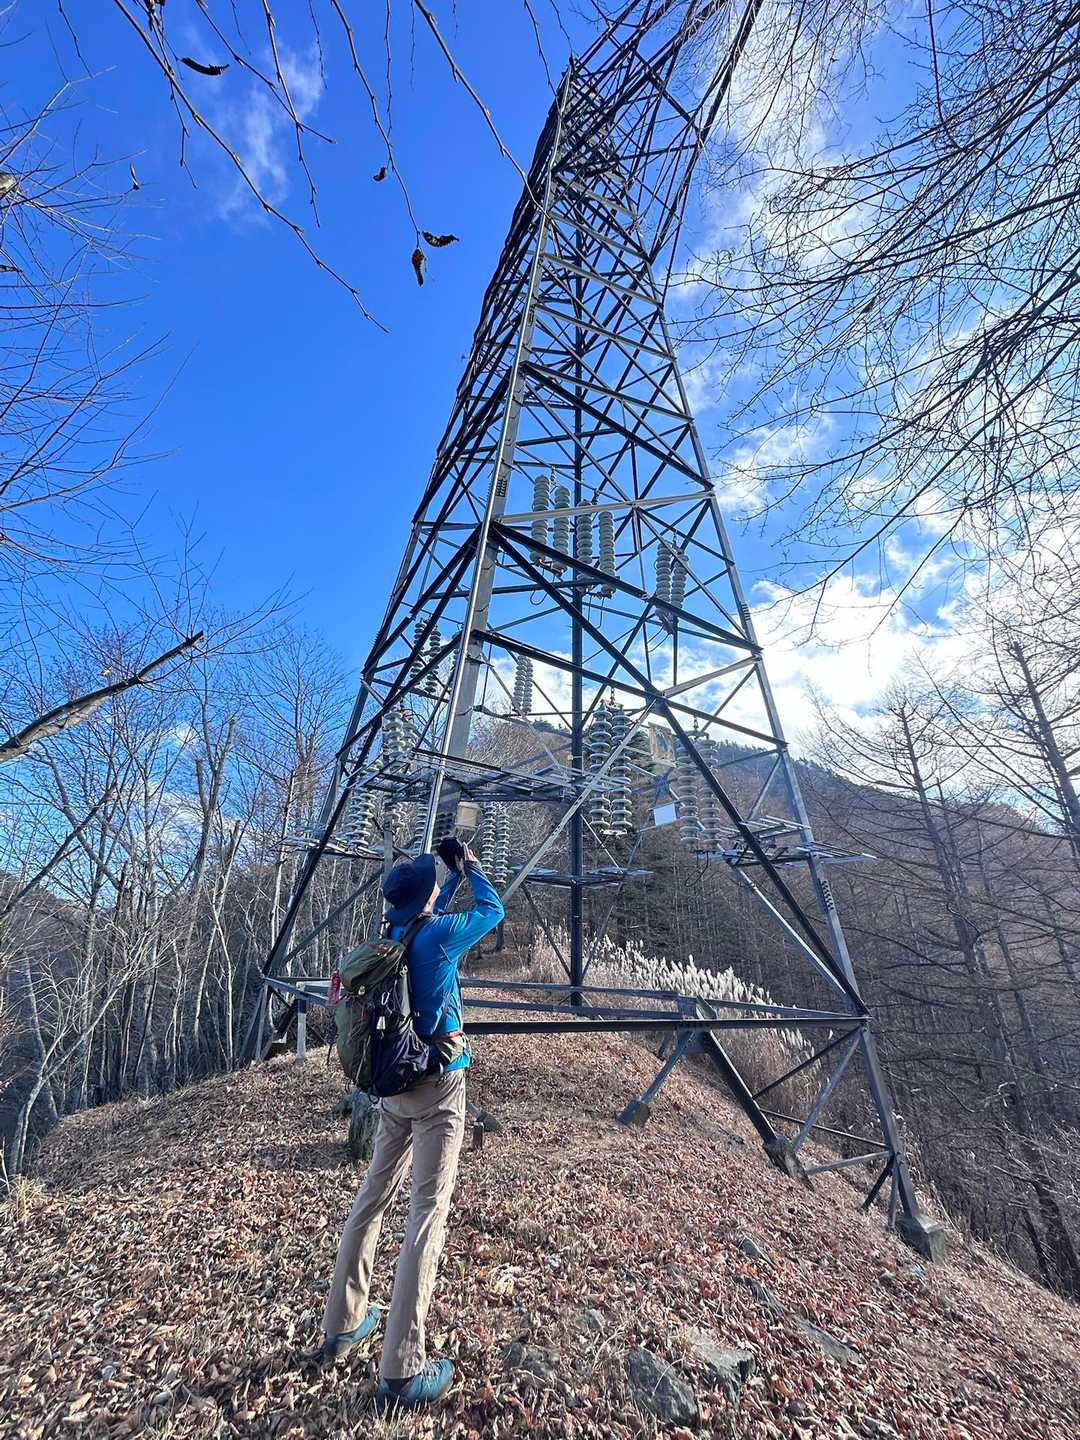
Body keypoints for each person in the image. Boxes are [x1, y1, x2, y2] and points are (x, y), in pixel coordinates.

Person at [322, 842, 504, 1412]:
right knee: (426, 1213)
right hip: (438, 1087)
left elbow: (429, 916)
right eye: (434, 886)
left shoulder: (394, 936)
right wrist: (472, 868)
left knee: (371, 1198)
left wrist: (444, 881)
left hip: (391, 1088)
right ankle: (401, 1370)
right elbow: (493, 911)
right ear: (426, 898)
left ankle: (342, 1323)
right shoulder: (437, 938)